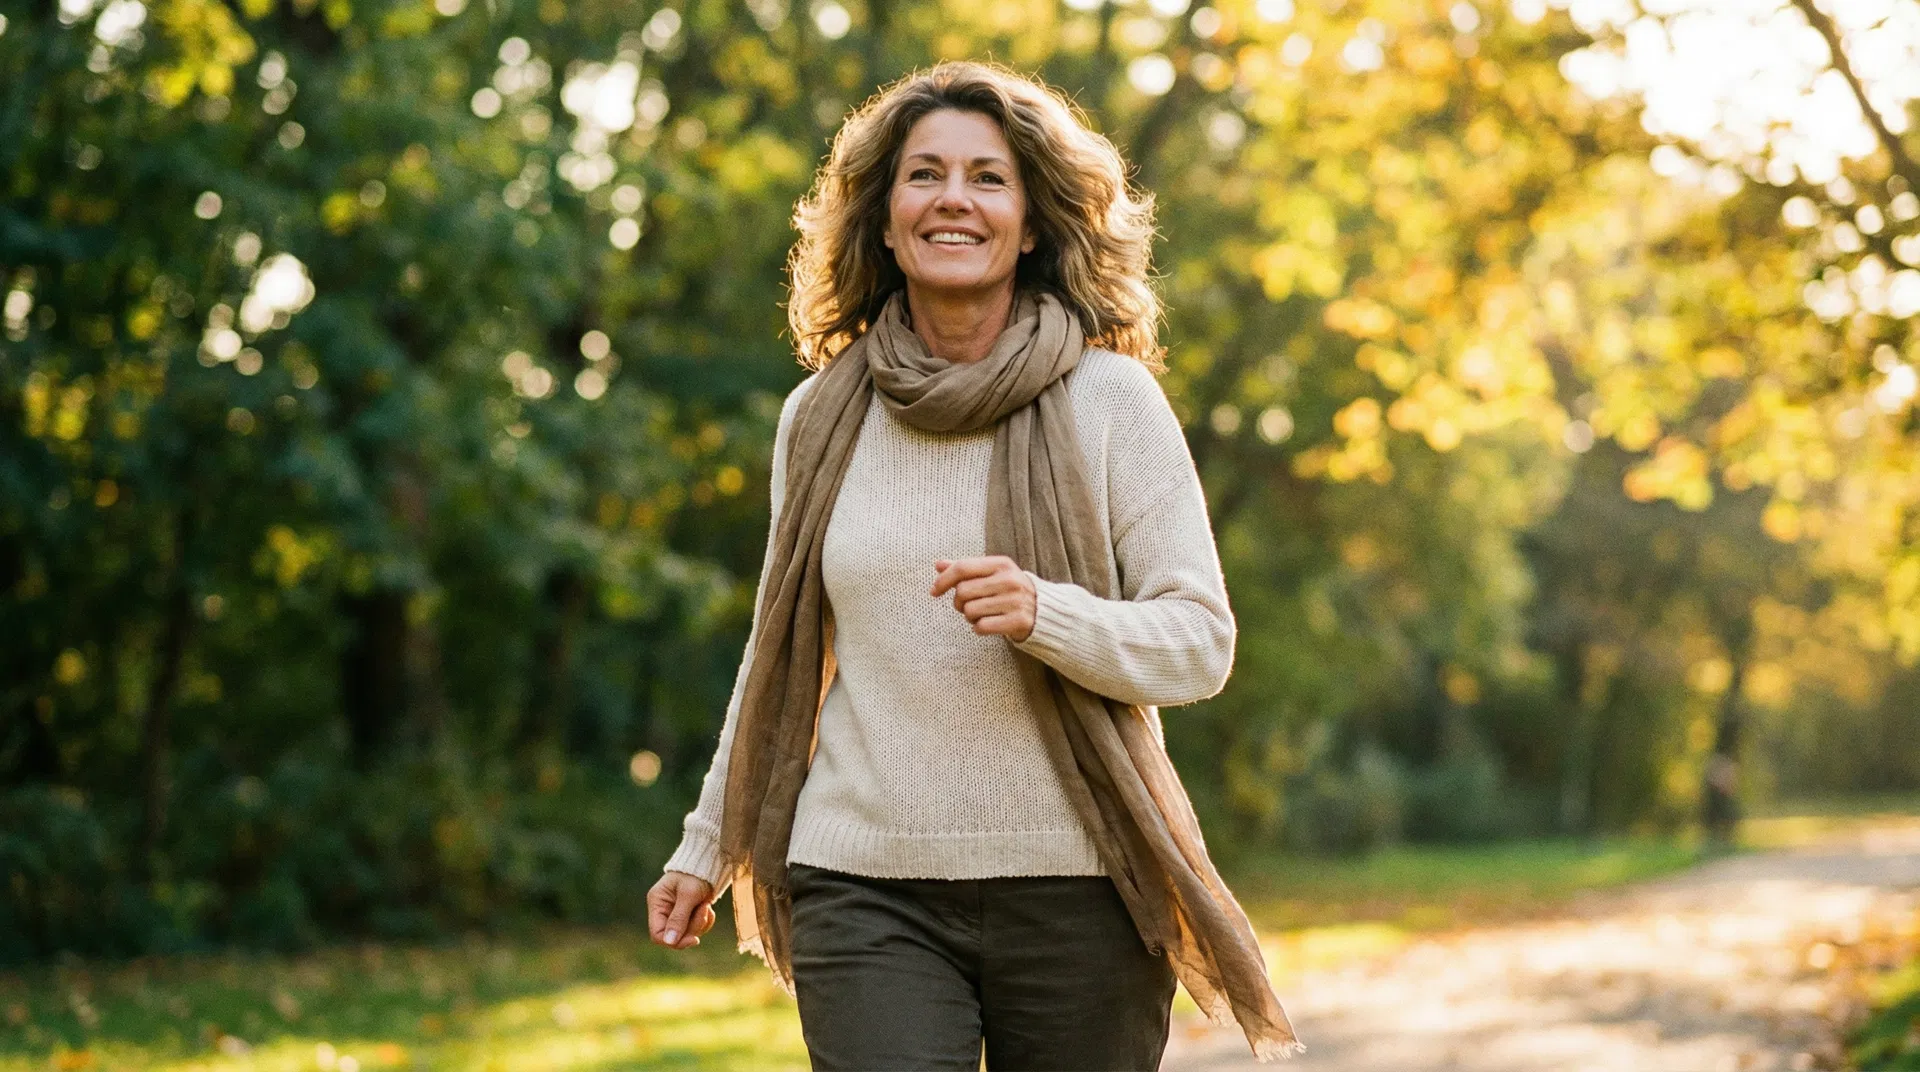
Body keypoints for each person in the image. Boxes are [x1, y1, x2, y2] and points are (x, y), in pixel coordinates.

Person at [646, 61, 1299, 1070]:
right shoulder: (818, 417)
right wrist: (707, 842)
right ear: (885, 215)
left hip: (1081, 885)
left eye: (989, 178)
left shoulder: (1111, 402)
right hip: (861, 883)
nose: (955, 198)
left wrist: (1050, 612)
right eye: (925, 175)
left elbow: (1199, 644)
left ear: (1032, 223)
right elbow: (777, 652)